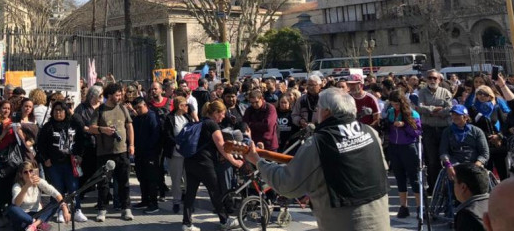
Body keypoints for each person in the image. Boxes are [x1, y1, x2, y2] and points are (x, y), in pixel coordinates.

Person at [243, 88, 390, 231]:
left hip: (345, 223)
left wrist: (258, 161)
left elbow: (287, 184)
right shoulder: (370, 132)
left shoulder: (319, 143)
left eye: (318, 108)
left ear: (326, 112)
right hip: (380, 220)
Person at [181, 100, 243, 231]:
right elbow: (222, 147)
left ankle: (186, 223)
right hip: (205, 163)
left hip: (190, 161)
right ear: (215, 112)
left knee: (190, 193)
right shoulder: (212, 125)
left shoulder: (200, 121)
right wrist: (234, 162)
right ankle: (225, 221)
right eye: (221, 114)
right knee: (216, 192)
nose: (223, 117)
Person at [89, 83, 135, 222]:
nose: (120, 97)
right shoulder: (100, 110)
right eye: (117, 95)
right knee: (104, 183)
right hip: (104, 153)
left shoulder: (122, 108)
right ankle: (102, 210)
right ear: (109, 95)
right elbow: (91, 128)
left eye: (120, 94)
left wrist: (131, 144)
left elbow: (129, 126)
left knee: (124, 182)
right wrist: (103, 130)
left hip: (121, 151)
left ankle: (126, 208)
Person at [37, 101, 87, 223]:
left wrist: (80, 155)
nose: (58, 113)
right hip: (54, 164)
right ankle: (60, 210)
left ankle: (77, 210)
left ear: (66, 111)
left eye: (61, 110)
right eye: (55, 110)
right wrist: (45, 159)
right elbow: (40, 144)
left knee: (73, 187)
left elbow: (81, 141)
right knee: (57, 188)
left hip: (71, 163)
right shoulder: (48, 126)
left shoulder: (74, 125)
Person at [385, 89, 422, 218]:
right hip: (394, 147)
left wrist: (404, 125)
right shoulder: (389, 113)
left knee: (414, 178)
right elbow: (387, 130)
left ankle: (419, 207)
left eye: (397, 104)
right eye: (392, 104)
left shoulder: (412, 113)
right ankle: (403, 206)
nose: (395, 106)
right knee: (399, 177)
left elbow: (417, 132)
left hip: (408, 147)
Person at [7, 160, 70, 231]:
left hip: (37, 214)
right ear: (21, 175)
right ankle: (36, 224)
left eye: (30, 171)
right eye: (25, 172)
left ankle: (35, 225)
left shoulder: (37, 181)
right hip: (24, 216)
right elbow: (17, 204)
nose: (29, 174)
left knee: (56, 201)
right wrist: (26, 187)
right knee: (12, 208)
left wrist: (64, 207)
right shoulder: (17, 186)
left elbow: (55, 192)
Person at [417, 69, 453, 190]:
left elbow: (450, 109)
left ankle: (449, 186)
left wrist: (439, 112)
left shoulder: (445, 92)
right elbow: (420, 108)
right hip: (429, 130)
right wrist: (433, 109)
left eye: (434, 78)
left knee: (447, 158)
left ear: (439, 79)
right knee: (432, 161)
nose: (432, 80)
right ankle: (435, 187)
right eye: (430, 78)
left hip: (444, 129)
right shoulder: (422, 92)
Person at [467, 85, 511, 179]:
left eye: (485, 94)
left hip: (498, 144)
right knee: (486, 174)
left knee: (504, 173)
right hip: (482, 145)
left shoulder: (496, 108)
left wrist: (499, 136)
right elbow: (472, 127)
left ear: (490, 96)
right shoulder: (472, 109)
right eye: (479, 93)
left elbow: (506, 125)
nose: (482, 96)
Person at [440, 105, 489, 179]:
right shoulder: (447, 132)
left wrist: (477, 164)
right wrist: (448, 165)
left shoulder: (477, 131)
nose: (454, 117)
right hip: (455, 164)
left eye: (458, 115)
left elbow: (484, 153)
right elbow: (443, 151)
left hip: (474, 163)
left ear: (465, 117)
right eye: (453, 114)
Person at [132, 97, 162, 214]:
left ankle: (153, 203)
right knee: (142, 178)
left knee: (151, 179)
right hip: (140, 154)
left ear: (145, 105)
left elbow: (155, 135)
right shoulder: (137, 119)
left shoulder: (152, 116)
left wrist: (148, 148)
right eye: (136, 108)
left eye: (139, 107)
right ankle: (144, 200)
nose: (138, 110)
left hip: (150, 154)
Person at [72, 85, 102, 197]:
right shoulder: (81, 108)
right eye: (100, 95)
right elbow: (76, 123)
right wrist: (88, 129)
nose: (102, 97)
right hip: (86, 143)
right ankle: (81, 191)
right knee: (86, 169)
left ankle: (103, 193)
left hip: (101, 143)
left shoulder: (103, 107)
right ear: (93, 95)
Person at [163, 95, 189, 213]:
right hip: (175, 153)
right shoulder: (170, 118)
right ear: (180, 106)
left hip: (187, 153)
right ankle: (176, 201)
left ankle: (189, 200)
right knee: (176, 178)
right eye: (185, 105)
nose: (188, 107)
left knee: (188, 178)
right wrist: (177, 143)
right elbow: (167, 135)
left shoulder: (187, 117)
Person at [452, 163, 489, 231]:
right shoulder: (496, 203)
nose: (453, 187)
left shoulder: (467, 215)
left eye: (455, 183)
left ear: (463, 187)